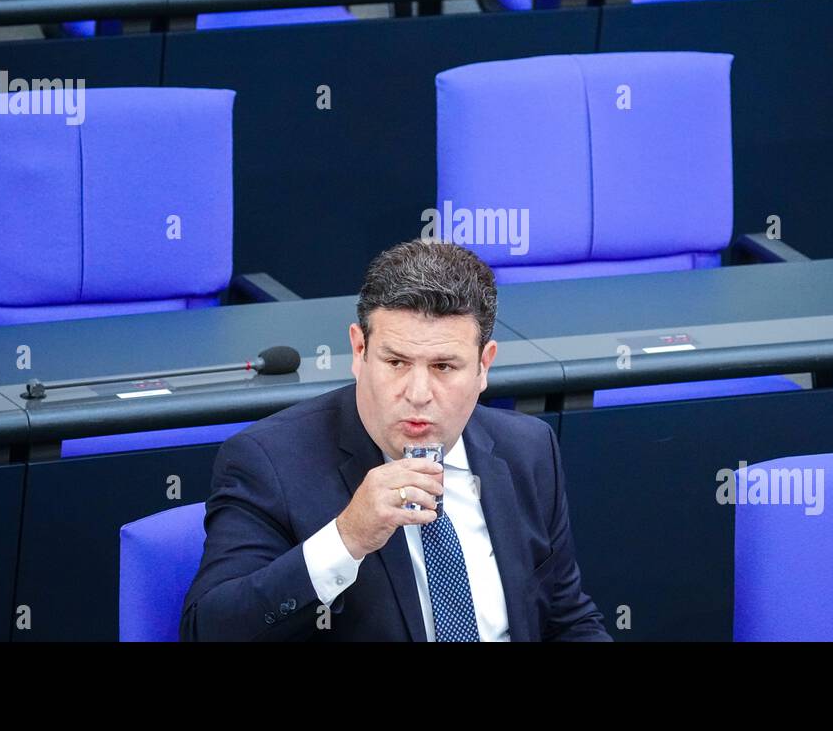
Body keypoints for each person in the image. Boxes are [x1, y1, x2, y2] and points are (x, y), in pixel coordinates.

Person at [180, 239, 611, 641]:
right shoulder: (268, 462)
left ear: (484, 366)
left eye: (444, 366)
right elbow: (209, 628)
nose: (418, 392)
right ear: (359, 351)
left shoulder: (529, 448)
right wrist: (347, 537)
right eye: (396, 362)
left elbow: (567, 617)